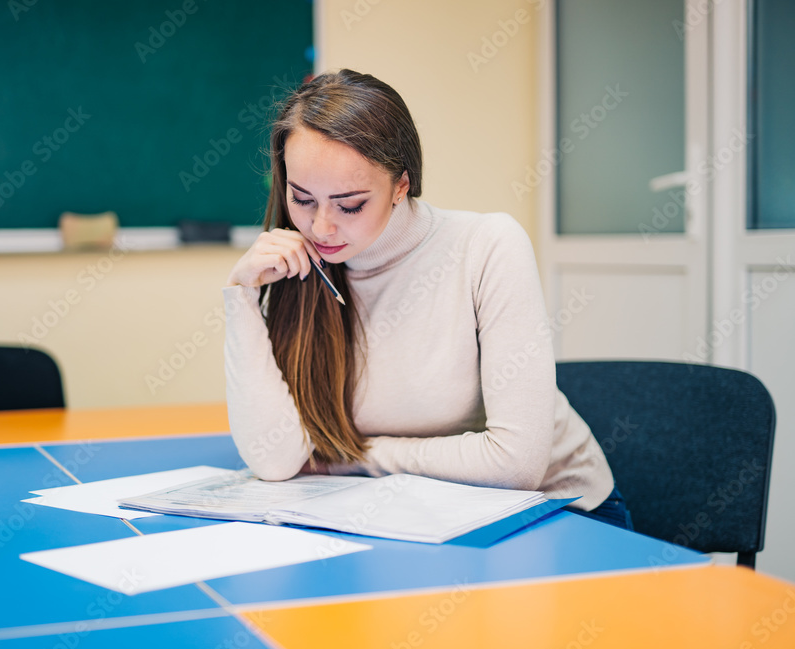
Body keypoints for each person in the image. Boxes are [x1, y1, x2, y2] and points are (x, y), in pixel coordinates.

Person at [222, 69, 632, 530]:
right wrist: (242, 299)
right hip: (411, 512)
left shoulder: (488, 245)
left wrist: (350, 457)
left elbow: (517, 465)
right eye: (302, 199)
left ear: (402, 184)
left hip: (557, 513)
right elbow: (276, 462)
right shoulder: (294, 265)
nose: (321, 228)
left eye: (350, 204)